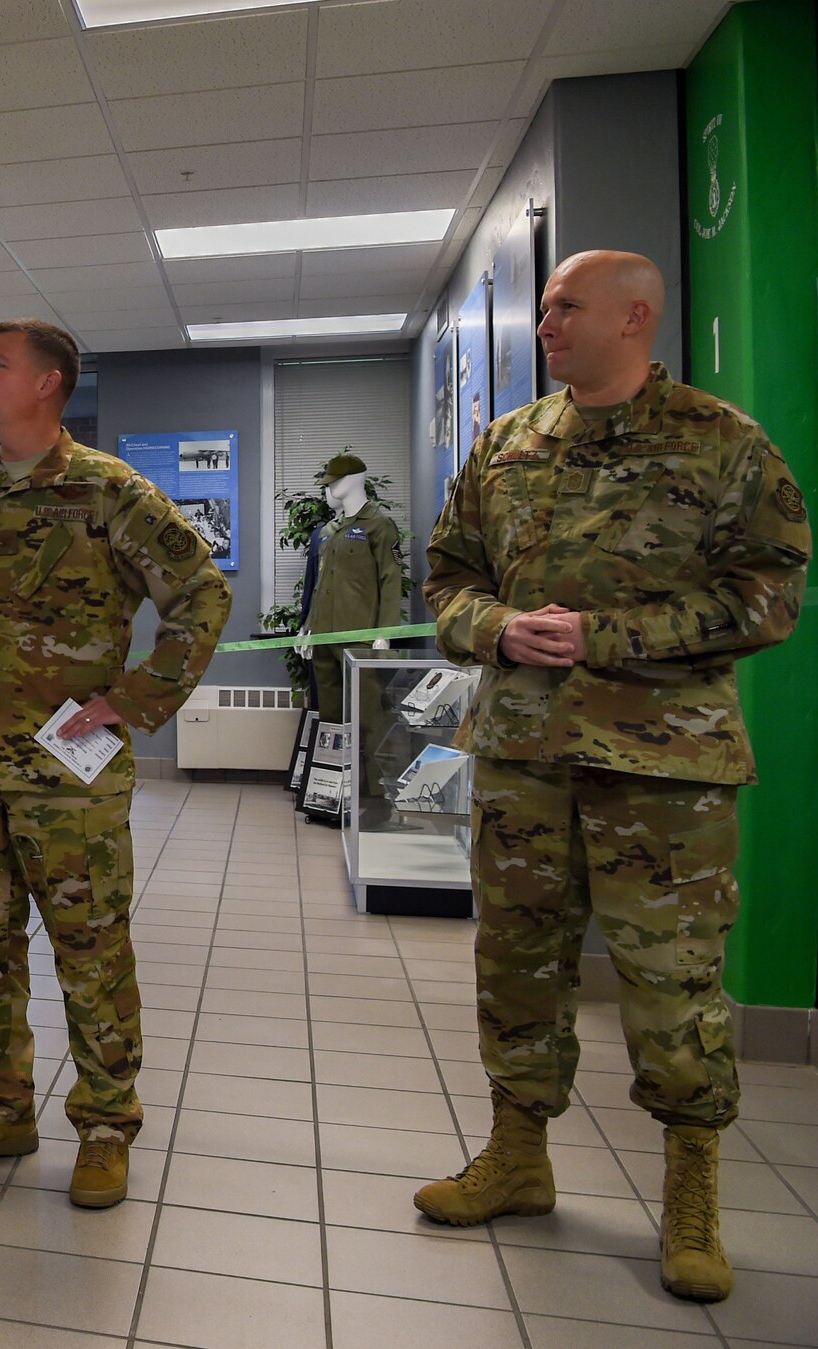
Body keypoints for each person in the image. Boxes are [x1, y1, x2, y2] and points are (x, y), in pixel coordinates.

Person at [417, 250, 810, 1303]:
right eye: (544, 305)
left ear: (633, 316)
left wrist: (610, 635)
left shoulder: (721, 443)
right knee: (514, 965)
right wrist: (495, 626)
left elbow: (768, 595)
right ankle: (515, 1155)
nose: (545, 320)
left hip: (662, 763)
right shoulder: (505, 445)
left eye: (564, 304)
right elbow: (446, 576)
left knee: (670, 985)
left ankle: (690, 1193)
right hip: (522, 755)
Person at [0, 319, 232, 1208]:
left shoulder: (108, 490)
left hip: (72, 769)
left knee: (91, 952)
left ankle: (107, 1124)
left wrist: (138, 700)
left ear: (48, 383)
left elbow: (200, 591)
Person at [295, 452, 404, 722]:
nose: (330, 487)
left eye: (336, 481)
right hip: (323, 637)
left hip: (359, 638)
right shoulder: (331, 531)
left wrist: (385, 633)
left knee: (367, 716)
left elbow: (391, 580)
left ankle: (369, 767)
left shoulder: (379, 525)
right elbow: (321, 584)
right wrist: (307, 627)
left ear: (356, 480)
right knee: (330, 717)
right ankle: (334, 765)